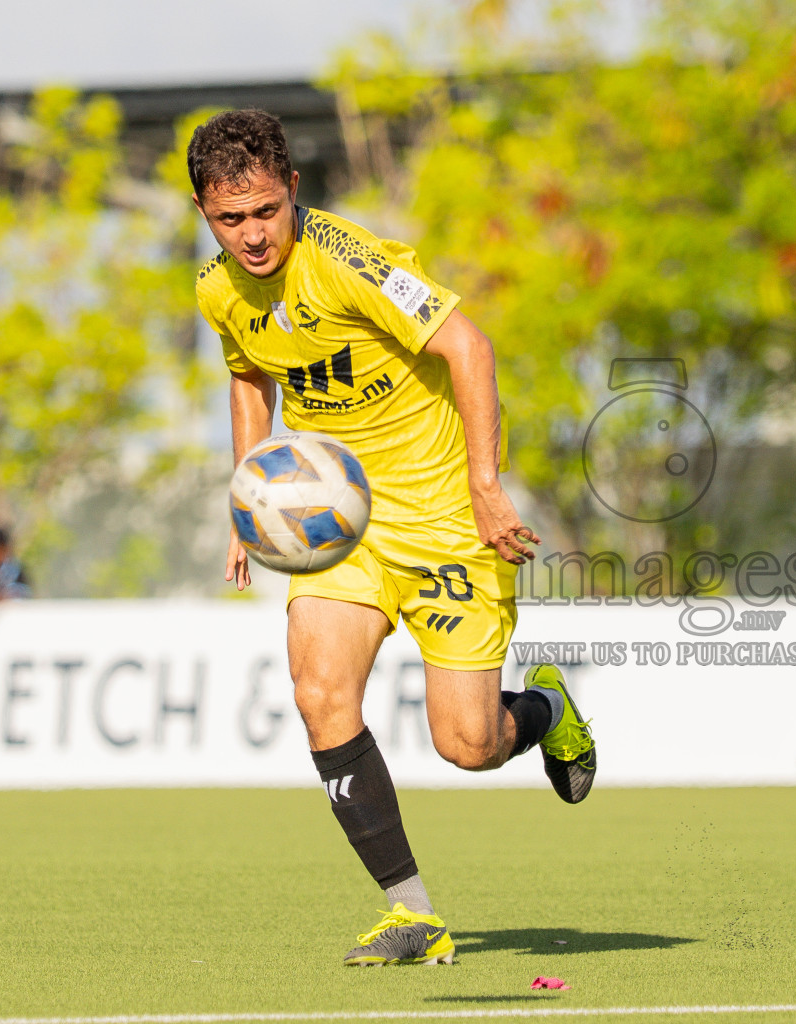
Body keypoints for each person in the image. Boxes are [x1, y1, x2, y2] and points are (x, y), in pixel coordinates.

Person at [188, 109, 595, 967]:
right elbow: (248, 378)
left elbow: (469, 346)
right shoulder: (217, 289)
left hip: (448, 520)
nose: (253, 235)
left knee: (468, 745)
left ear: (293, 191)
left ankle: (548, 708)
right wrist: (247, 493)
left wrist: (486, 488)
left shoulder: (345, 261)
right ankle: (411, 912)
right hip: (345, 530)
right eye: (232, 219)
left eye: (266, 211)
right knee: (318, 694)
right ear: (203, 213)